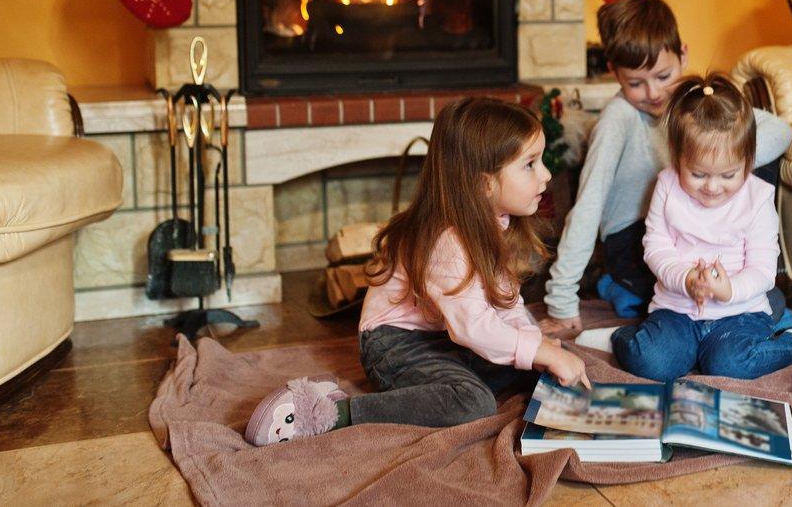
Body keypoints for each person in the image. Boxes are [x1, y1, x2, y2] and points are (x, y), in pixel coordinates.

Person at [244, 98, 589, 446]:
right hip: (396, 342)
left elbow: (506, 305)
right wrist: (540, 351)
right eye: (530, 164)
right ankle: (332, 414)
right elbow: (473, 328)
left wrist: (538, 345)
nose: (546, 175)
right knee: (472, 402)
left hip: (445, 333)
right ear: (485, 184)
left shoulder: (494, 222)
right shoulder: (447, 241)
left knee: (528, 363)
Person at [537, 0, 792, 337]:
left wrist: (717, 166)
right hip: (636, 240)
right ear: (615, 74)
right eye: (636, 83)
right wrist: (562, 302)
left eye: (663, 75)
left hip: (699, 229)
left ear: (683, 55)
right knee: (676, 299)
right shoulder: (619, 120)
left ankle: (750, 280)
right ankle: (622, 286)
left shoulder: (693, 104)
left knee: (741, 156)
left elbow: (781, 131)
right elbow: (589, 204)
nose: (654, 92)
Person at [610, 74, 792, 381]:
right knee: (653, 362)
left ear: (748, 160)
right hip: (677, 309)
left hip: (740, 312)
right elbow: (656, 247)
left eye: (728, 175)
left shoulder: (758, 197)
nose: (713, 187)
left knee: (728, 364)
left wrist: (728, 290)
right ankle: (631, 337)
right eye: (699, 174)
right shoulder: (666, 185)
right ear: (677, 160)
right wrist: (686, 279)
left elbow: (764, 268)